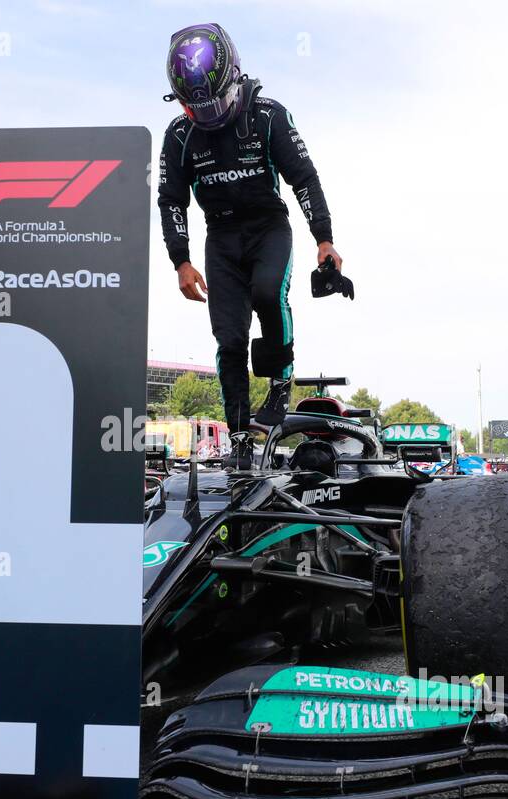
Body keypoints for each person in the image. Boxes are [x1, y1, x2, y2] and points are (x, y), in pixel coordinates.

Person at [158, 23, 339, 469]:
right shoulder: (180, 135)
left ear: (234, 79)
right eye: (197, 107)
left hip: (268, 228)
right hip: (220, 237)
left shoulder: (269, 115)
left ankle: (281, 382)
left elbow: (304, 177)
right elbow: (170, 199)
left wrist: (324, 238)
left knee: (266, 293)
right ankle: (238, 434)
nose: (209, 114)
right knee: (230, 338)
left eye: (216, 102)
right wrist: (180, 261)